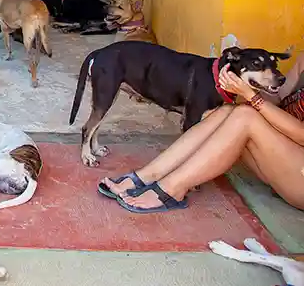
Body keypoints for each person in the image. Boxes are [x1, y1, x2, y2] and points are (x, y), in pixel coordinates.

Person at [98, 54, 304, 213]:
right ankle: (147, 175)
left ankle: (172, 189)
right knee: (223, 112)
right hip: (284, 156)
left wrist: (251, 96)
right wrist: (244, 87)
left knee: (245, 116)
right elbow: (278, 99)